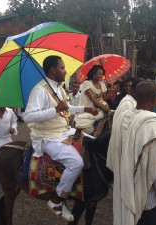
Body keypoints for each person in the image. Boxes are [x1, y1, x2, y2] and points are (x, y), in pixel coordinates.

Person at [22, 55, 98, 222]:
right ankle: (56, 200)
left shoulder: (59, 88)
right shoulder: (39, 90)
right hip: (47, 137)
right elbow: (28, 117)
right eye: (62, 68)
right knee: (76, 162)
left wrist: (84, 108)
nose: (65, 71)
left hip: (64, 132)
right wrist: (55, 109)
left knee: (94, 143)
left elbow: (67, 109)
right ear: (52, 70)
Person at [107, 81, 156, 225]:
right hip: (148, 206)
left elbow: (114, 159)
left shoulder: (123, 118)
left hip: (124, 197)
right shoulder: (152, 126)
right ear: (154, 99)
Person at [74, 65, 112, 134]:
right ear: (94, 74)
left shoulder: (102, 84)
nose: (101, 76)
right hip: (88, 110)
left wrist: (112, 91)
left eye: (102, 74)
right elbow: (92, 99)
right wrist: (103, 107)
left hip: (99, 110)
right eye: (99, 74)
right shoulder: (87, 83)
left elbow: (104, 99)